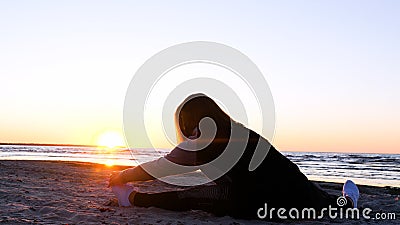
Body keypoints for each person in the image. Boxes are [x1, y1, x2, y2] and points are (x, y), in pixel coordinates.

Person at [109, 93, 359, 219]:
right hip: (289, 189)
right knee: (323, 202)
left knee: (195, 195)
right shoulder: (238, 131)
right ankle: (348, 201)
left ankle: (131, 198)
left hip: (255, 201)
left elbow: (161, 168)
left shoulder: (203, 139)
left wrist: (122, 174)